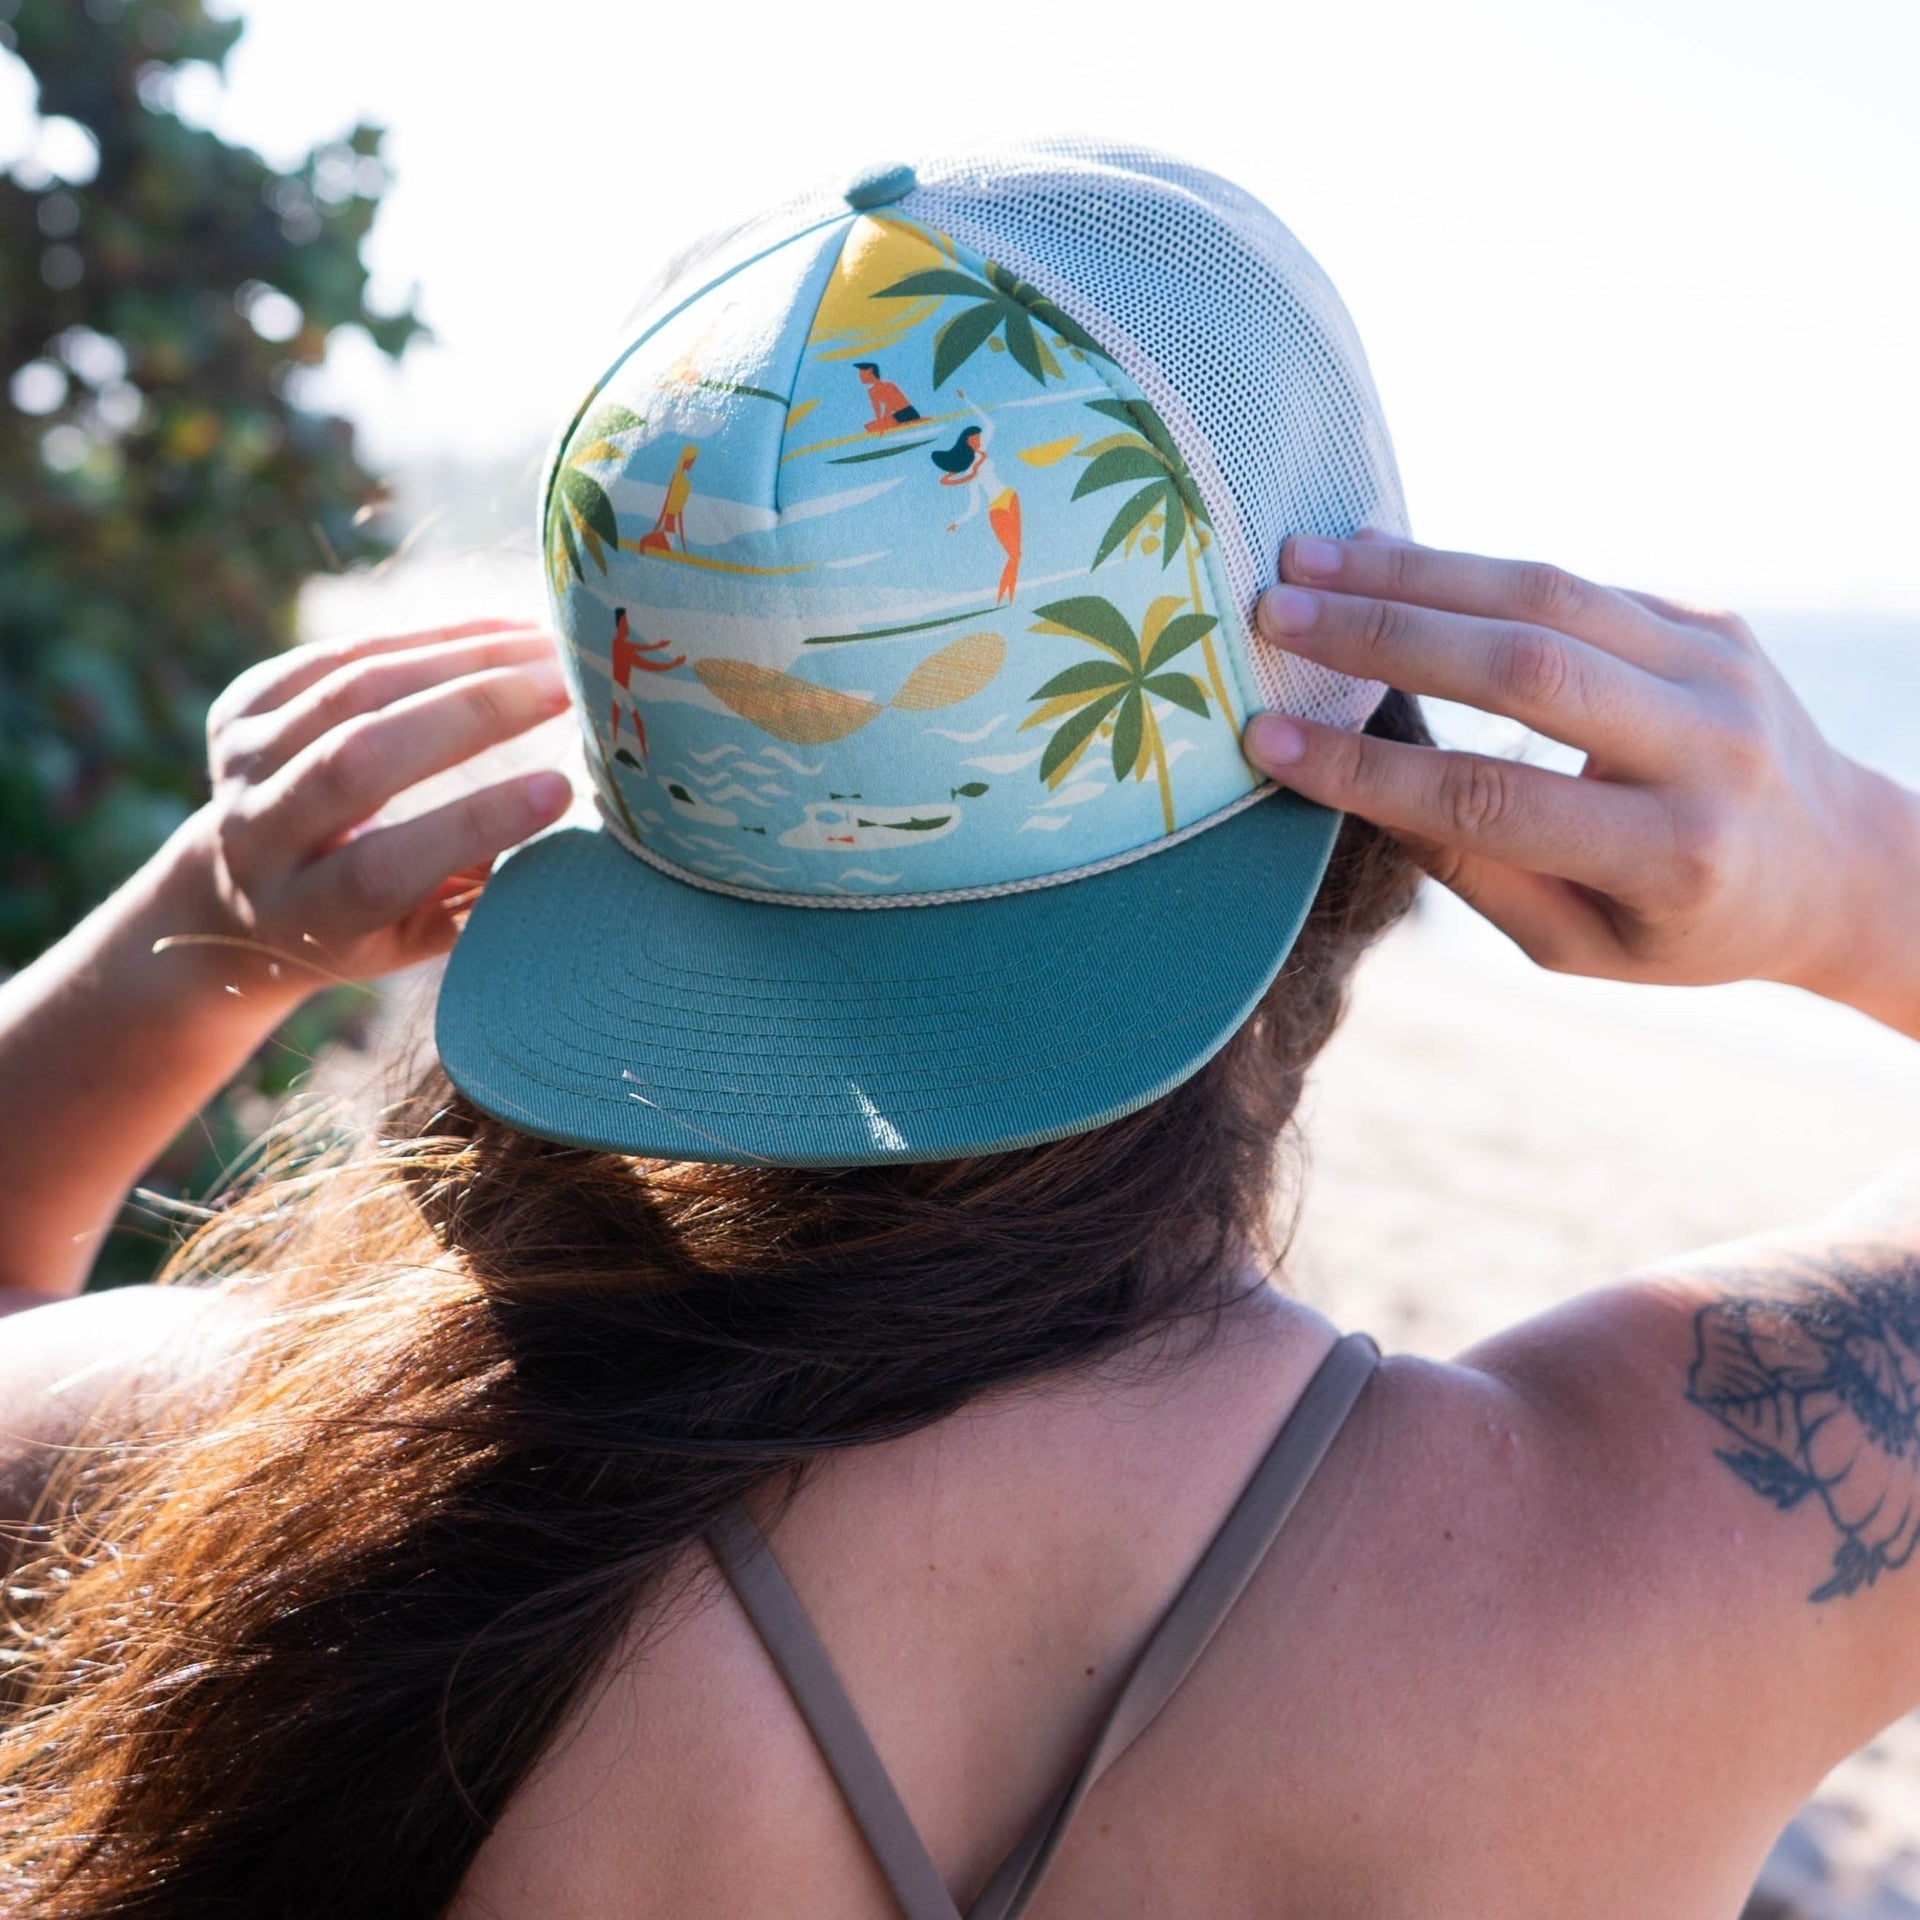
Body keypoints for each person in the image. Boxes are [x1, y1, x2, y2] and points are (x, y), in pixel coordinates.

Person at [1, 148, 1918, 1920]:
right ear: (1374, 834)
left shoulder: (177, 1486)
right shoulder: (1614, 1578)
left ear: (627, 855)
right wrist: (1846, 873)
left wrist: (187, 942)